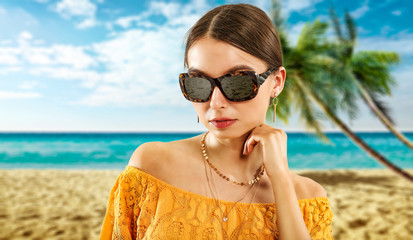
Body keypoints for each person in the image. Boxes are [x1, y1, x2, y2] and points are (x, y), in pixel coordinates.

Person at [100, 3, 333, 240]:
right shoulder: (152, 166)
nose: (216, 102)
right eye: (199, 83)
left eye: (238, 82)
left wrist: (280, 178)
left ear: (276, 82)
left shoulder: (308, 197)